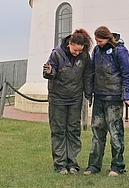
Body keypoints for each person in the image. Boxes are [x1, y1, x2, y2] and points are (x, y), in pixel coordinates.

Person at [83, 26, 129, 177]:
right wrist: (89, 91)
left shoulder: (120, 51)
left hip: (114, 97)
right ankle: (93, 165)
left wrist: (127, 95)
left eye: (100, 40)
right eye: (97, 40)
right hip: (99, 97)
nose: (98, 43)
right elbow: (92, 71)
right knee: (97, 132)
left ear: (108, 38)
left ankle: (117, 166)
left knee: (115, 133)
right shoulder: (97, 51)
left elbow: (126, 74)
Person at [43, 29, 93, 175]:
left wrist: (88, 93)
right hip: (57, 98)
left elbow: (87, 75)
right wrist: (49, 72)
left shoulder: (84, 56)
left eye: (80, 51)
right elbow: (50, 73)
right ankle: (60, 164)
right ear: (69, 43)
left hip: (75, 98)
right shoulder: (56, 54)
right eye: (75, 50)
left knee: (73, 130)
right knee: (58, 131)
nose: (77, 53)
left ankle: (72, 163)